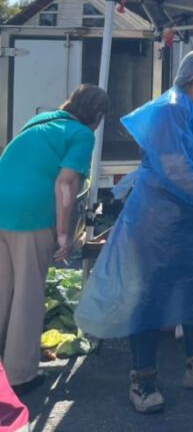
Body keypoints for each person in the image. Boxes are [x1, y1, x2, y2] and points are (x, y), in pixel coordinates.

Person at [75, 50, 193, 415]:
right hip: (157, 219)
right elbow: (174, 166)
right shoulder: (169, 109)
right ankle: (143, 380)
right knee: (148, 295)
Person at [0, 84, 109, 395]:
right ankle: (20, 375)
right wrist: (63, 235)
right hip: (31, 215)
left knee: (2, 288)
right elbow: (66, 183)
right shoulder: (81, 134)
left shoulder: (40, 121)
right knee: (28, 293)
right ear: (98, 115)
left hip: (1, 207)